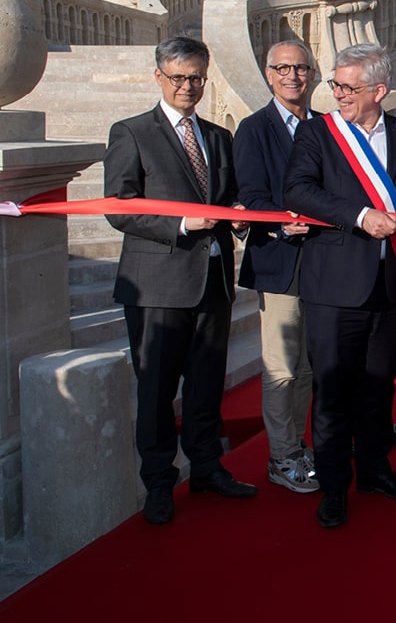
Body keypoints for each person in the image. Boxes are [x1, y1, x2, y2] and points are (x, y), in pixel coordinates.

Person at [104, 36, 256, 525]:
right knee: (156, 391)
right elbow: (118, 207)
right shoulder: (131, 132)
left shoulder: (217, 136)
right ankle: (159, 483)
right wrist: (181, 225)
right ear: (158, 77)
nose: (188, 87)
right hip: (156, 283)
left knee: (207, 385)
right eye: (178, 78)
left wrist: (236, 216)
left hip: (212, 278)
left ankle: (208, 467)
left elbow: (228, 195)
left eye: (196, 78)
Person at [284, 43, 396, 528]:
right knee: (332, 391)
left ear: (380, 91)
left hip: (391, 284)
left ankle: (374, 470)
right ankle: (333, 486)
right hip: (334, 286)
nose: (338, 94)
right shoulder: (316, 134)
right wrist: (361, 216)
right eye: (336, 85)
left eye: (349, 87)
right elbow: (299, 190)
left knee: (375, 389)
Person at [234, 39, 319, 493]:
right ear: (269, 74)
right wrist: (286, 225)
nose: (292, 76)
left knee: (306, 366)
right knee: (282, 367)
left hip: (323, 263)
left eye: (301, 68)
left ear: (313, 74)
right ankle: (281, 456)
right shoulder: (253, 128)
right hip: (279, 260)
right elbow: (250, 195)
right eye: (283, 68)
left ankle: (298, 444)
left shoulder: (326, 126)